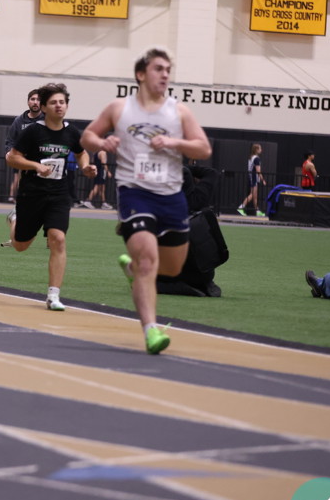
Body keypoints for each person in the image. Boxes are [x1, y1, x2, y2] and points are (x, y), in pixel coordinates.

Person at [81, 47, 212, 354]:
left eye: (168, 70)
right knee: (148, 260)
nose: (165, 74)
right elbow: (87, 136)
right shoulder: (119, 108)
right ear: (141, 74)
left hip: (171, 196)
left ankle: (133, 271)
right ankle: (151, 330)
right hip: (135, 193)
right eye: (158, 69)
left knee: (172, 269)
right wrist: (102, 142)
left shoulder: (179, 111)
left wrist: (174, 142)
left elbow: (204, 149)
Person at [5, 83, 95, 310]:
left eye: (62, 102)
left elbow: (81, 153)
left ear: (67, 106)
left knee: (58, 238)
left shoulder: (72, 132)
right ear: (44, 107)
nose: (58, 106)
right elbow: (12, 158)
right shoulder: (33, 132)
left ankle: (53, 295)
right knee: (20, 245)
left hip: (59, 193)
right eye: (53, 102)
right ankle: (14, 219)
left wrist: (86, 167)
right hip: (32, 193)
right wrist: (35, 165)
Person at [157, 164, 228, 298]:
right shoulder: (199, 197)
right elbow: (211, 173)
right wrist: (185, 168)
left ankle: (176, 286)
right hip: (203, 273)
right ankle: (200, 284)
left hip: (173, 272)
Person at [5, 89, 44, 202]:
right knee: (20, 182)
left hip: (41, 162)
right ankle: (15, 199)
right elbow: (10, 140)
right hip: (23, 160)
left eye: (38, 100)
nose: (35, 102)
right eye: (33, 99)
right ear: (28, 102)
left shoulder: (47, 119)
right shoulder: (19, 120)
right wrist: (9, 153)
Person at [237, 144, 266, 216]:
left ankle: (257, 211)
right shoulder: (256, 159)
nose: (261, 150)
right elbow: (258, 171)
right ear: (256, 150)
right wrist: (263, 180)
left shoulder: (251, 157)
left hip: (251, 178)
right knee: (252, 194)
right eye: (260, 148)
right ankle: (241, 207)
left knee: (254, 196)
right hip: (254, 178)